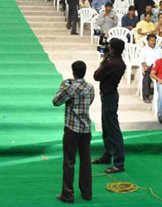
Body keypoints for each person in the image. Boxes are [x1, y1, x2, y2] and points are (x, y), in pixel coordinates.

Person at [52, 60, 94, 204]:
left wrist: (62, 87)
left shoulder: (70, 88)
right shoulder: (90, 87)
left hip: (72, 129)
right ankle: (87, 193)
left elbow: (56, 101)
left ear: (73, 73)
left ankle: (68, 194)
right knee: (86, 161)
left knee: (69, 162)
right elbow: (90, 101)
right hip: (86, 129)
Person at [92, 38, 126, 173]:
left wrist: (104, 60)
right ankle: (107, 156)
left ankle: (119, 163)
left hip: (109, 97)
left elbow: (96, 76)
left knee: (113, 130)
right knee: (107, 128)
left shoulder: (111, 63)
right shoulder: (120, 62)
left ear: (112, 49)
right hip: (111, 95)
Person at [139, 34, 162, 103]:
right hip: (149, 68)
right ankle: (146, 96)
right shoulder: (144, 50)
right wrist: (144, 65)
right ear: (148, 41)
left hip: (159, 68)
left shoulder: (159, 50)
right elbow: (142, 60)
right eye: (151, 40)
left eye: (154, 40)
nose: (153, 42)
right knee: (147, 75)